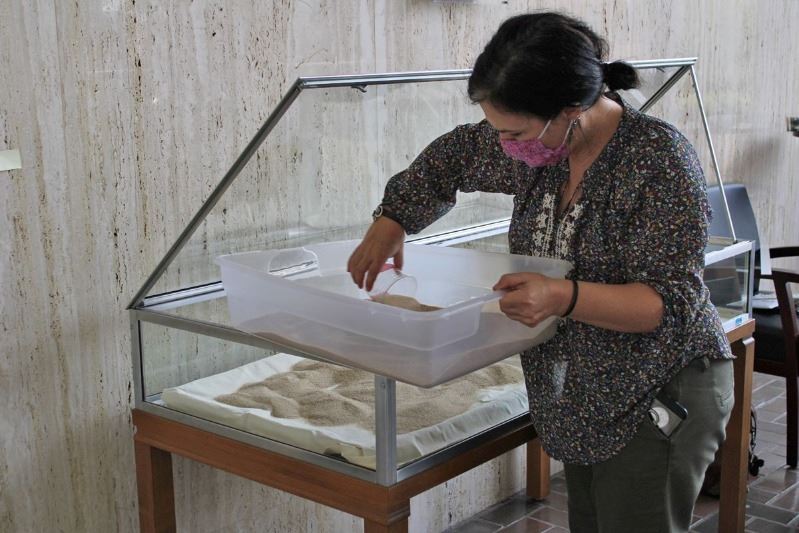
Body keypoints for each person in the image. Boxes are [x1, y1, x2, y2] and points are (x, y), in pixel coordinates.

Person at [347, 11, 733, 533]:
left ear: (570, 110)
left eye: (515, 132)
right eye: (497, 130)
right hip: (587, 393)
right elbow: (452, 158)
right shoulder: (541, 149)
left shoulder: (657, 161)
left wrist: (562, 296)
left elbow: (668, 306)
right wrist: (392, 220)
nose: (506, 144)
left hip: (658, 386)